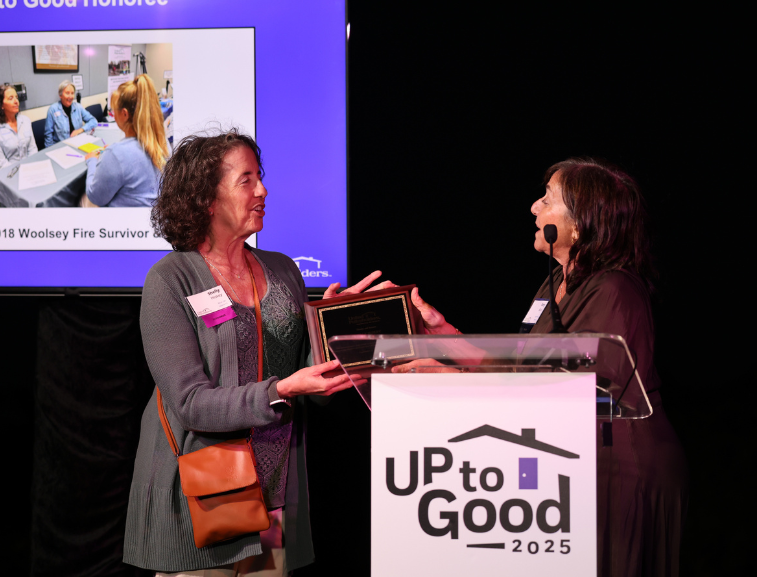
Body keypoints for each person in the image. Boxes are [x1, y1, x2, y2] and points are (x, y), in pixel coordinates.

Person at [397, 158, 688, 577]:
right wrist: (446, 337)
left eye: (547, 200)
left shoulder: (615, 289)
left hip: (621, 469)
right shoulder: (555, 285)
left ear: (579, 225)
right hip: (574, 462)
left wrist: (456, 382)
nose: (534, 207)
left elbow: (579, 390)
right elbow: (523, 366)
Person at [124, 129, 387, 575]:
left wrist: (335, 328)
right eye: (246, 180)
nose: (263, 190)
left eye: (259, 177)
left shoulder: (283, 271)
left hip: (274, 496)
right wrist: (279, 390)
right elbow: (191, 404)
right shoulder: (171, 280)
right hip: (204, 499)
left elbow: (305, 376)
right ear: (207, 199)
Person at [82, 74, 168, 207]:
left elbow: (95, 197)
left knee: (84, 200)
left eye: (113, 110)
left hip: (124, 219)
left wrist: (92, 160)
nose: (112, 114)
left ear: (124, 114)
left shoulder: (117, 154)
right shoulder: (162, 142)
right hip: (154, 214)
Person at [0, 84, 37, 182]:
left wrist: (31, 168)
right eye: (11, 98)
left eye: (16, 97)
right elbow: (1, 164)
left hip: (26, 169)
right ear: (1, 104)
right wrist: (23, 174)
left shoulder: (25, 121)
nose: (16, 101)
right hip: (3, 174)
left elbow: (32, 149)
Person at [43, 80, 97, 147]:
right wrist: (50, 150)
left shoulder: (78, 107)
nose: (70, 96)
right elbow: (48, 135)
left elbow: (93, 121)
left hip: (78, 144)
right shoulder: (53, 110)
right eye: (67, 93)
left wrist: (80, 130)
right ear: (60, 95)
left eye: (72, 93)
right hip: (61, 147)